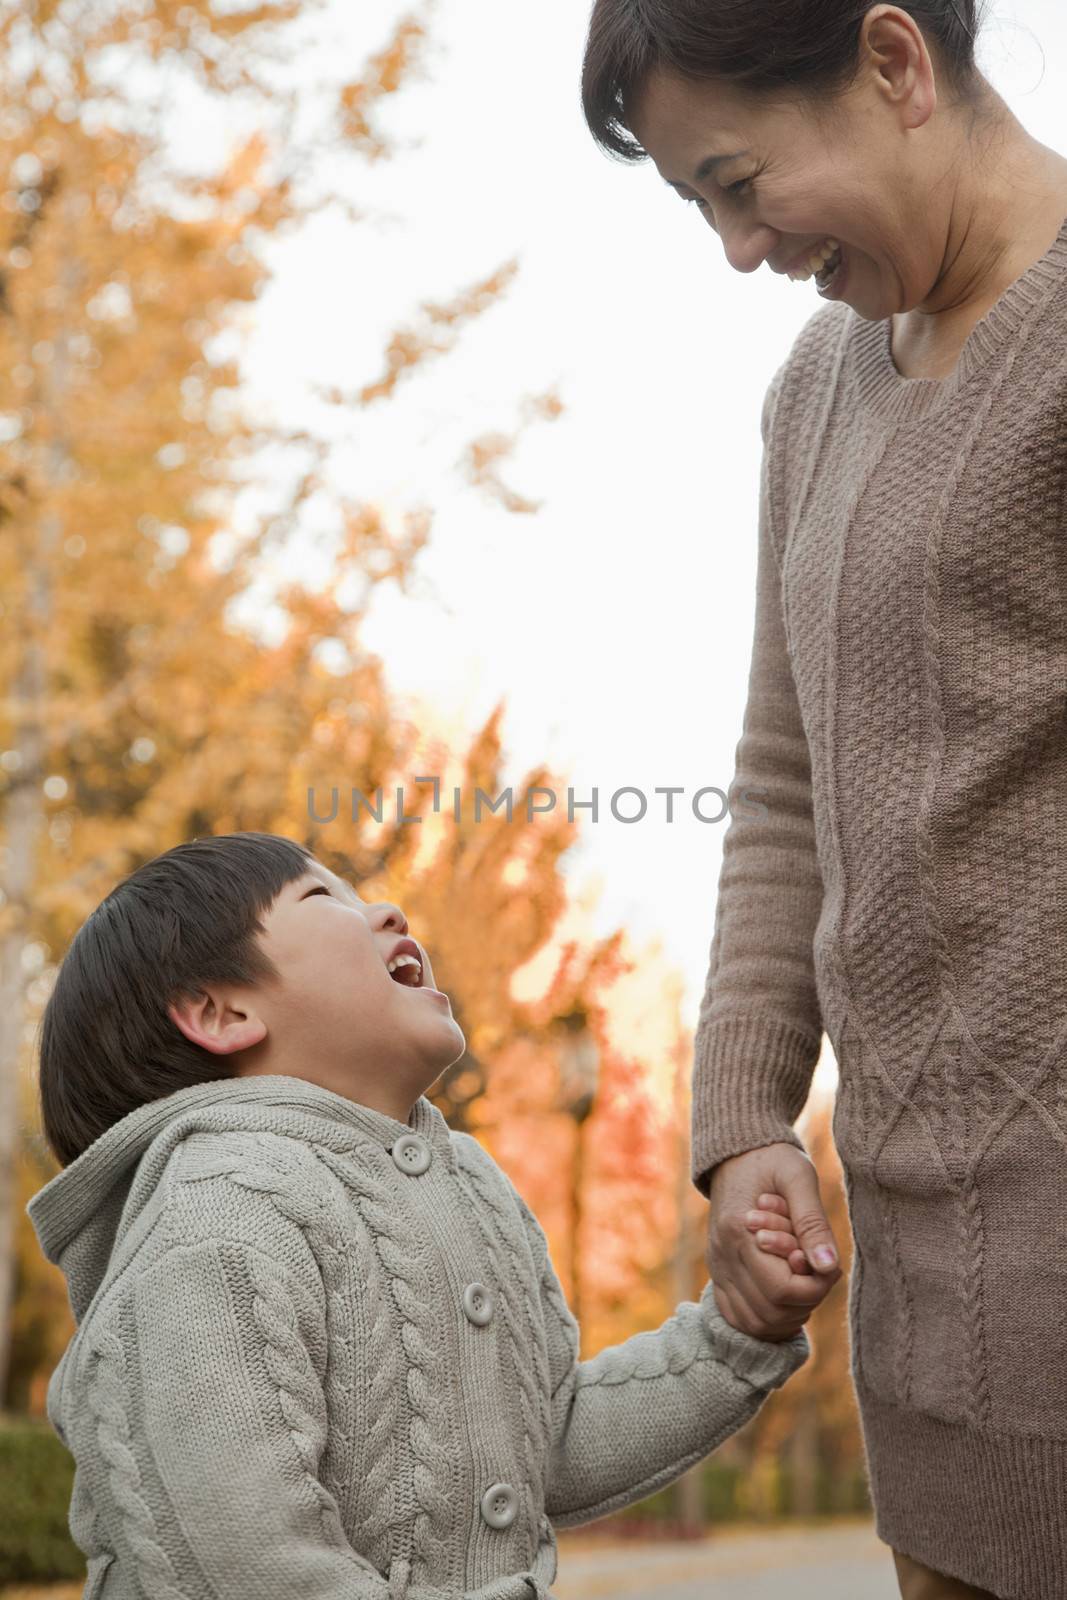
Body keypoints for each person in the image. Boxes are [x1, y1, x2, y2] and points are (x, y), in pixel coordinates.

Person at [580, 2, 1067, 1597]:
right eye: (697, 206)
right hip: (926, 1290)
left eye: (736, 179)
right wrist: (738, 1126)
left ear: (893, 63)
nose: (734, 248)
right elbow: (783, 784)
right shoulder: (811, 395)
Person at [26, 830, 809, 1600]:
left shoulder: (469, 1188)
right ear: (222, 1013)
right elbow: (242, 1558)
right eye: (323, 897)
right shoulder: (216, 1214)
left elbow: (541, 1443)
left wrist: (735, 1336)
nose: (390, 911)